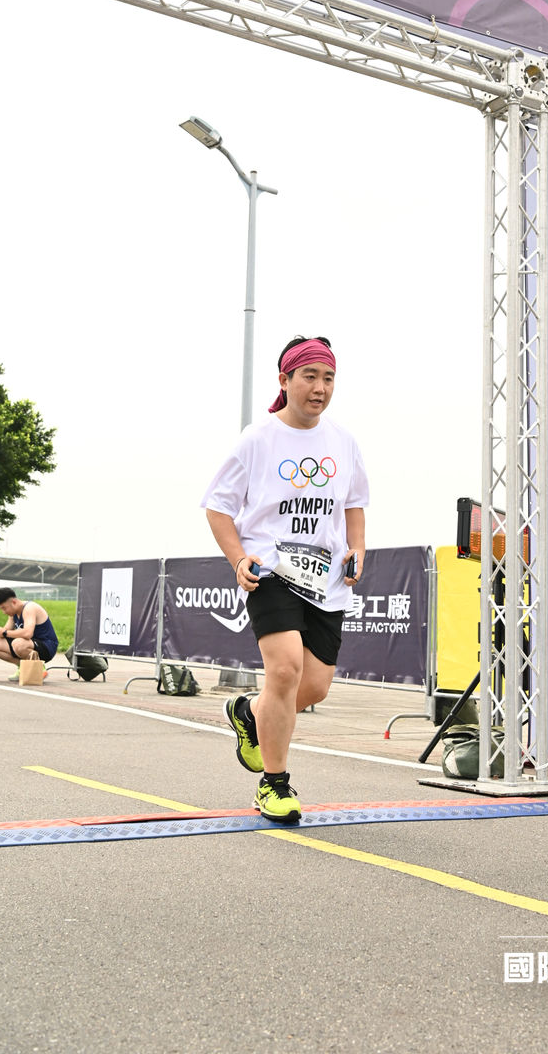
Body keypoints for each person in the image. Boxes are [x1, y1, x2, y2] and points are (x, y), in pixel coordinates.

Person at [202, 335, 368, 824]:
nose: (320, 388)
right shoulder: (258, 439)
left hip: (327, 579)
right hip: (271, 571)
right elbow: (217, 507)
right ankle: (273, 784)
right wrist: (238, 559)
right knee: (283, 671)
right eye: (310, 377)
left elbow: (355, 503)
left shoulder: (343, 441)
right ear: (285, 380)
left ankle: (250, 714)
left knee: (313, 688)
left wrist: (357, 548)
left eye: (328, 378)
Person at [0, 587, 59, 678]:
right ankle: (23, 668)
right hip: (28, 645)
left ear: (14, 602)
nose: (4, 612)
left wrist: (4, 632)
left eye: (4, 608)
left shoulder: (29, 608)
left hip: (46, 647)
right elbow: (6, 631)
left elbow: (28, 633)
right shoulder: (13, 614)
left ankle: (39, 667)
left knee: (18, 643)